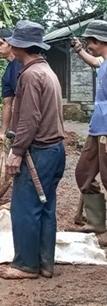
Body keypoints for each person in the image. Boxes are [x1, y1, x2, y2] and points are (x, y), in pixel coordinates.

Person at [0, 20, 65, 280]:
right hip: (55, 150)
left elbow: (28, 120)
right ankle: (46, 264)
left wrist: (16, 151)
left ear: (17, 45)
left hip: (39, 152)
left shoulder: (29, 75)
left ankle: (26, 264)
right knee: (46, 207)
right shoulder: (47, 71)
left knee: (25, 207)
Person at [73, 20, 107, 236]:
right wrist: (78, 51)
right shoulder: (103, 62)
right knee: (83, 172)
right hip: (97, 128)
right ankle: (96, 223)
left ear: (99, 41)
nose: (88, 46)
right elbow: (94, 61)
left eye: (89, 43)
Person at [0, 28, 23, 146]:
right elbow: (7, 104)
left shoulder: (24, 65)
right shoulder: (7, 74)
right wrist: (2, 132)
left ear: (11, 44)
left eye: (0, 43)